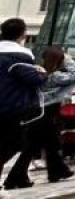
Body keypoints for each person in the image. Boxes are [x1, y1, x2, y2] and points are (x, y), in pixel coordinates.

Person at [3, 46, 75, 187]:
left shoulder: (40, 73)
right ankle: (16, 177)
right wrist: (69, 61)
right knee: (34, 144)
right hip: (46, 111)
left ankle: (57, 170)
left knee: (45, 142)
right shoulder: (54, 76)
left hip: (41, 111)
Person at [0, 21, 48, 186]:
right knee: (14, 143)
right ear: (22, 34)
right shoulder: (20, 56)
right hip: (12, 106)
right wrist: (42, 73)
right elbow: (33, 79)